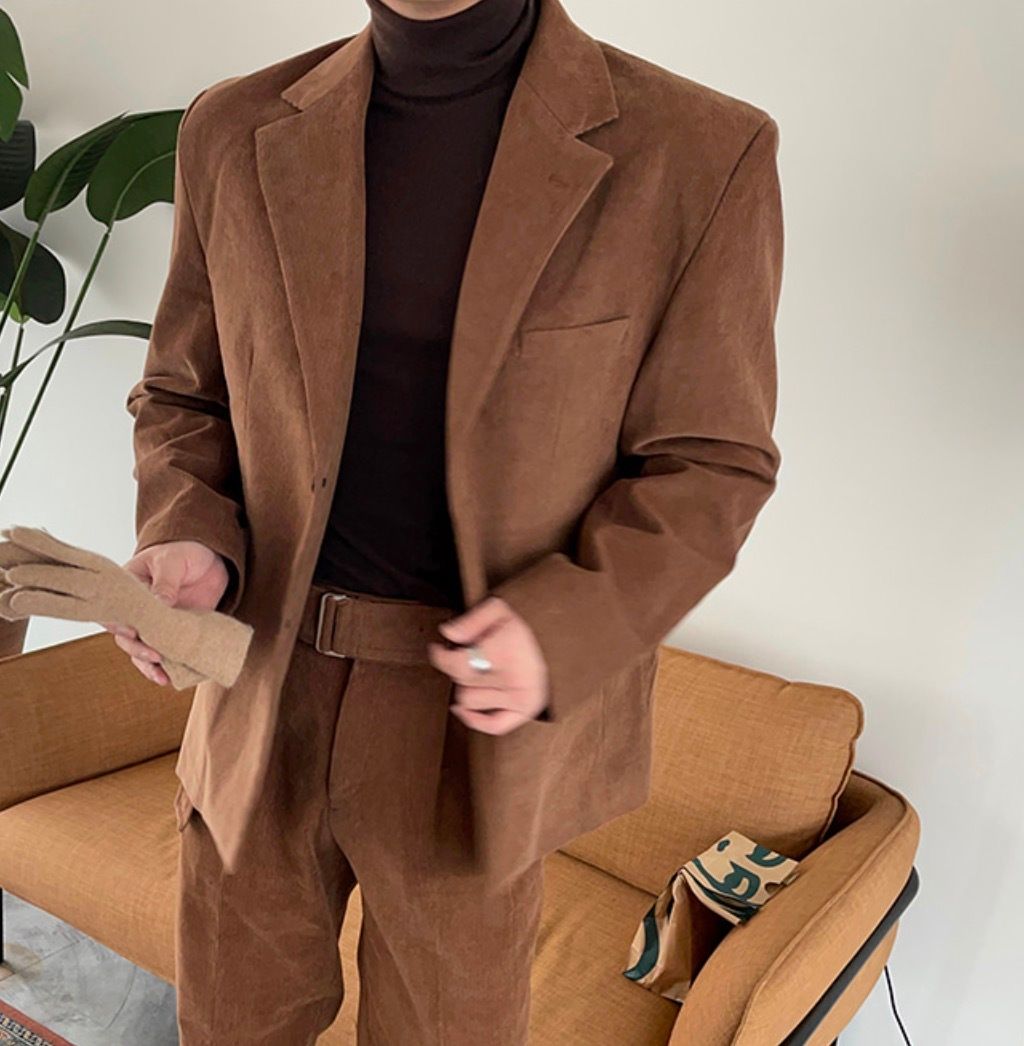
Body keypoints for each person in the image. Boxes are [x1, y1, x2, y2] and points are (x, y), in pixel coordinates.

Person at [111, 0, 785, 1042]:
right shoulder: (233, 127)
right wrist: (185, 528)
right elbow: (183, 393)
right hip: (256, 688)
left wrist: (566, 626)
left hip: (469, 725)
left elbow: (710, 462)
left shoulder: (697, 150)